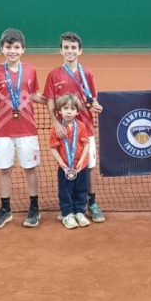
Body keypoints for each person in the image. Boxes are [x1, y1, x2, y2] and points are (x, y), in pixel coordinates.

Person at [0, 28, 47, 229]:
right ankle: (5, 209)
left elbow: (34, 94)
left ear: (23, 49)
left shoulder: (30, 70)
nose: (12, 51)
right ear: (2, 48)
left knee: (30, 168)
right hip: (2, 130)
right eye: (8, 47)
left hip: (27, 129)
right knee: (4, 169)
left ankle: (34, 207)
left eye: (17, 47)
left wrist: (53, 101)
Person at [44, 32, 106, 223]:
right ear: (61, 50)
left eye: (73, 48)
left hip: (85, 128)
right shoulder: (54, 74)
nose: (69, 51)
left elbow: (92, 98)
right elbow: (50, 101)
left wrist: (97, 106)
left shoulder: (87, 73)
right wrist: (55, 122)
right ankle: (68, 208)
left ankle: (91, 203)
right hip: (64, 130)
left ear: (80, 51)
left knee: (89, 167)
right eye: (66, 47)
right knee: (66, 167)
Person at [49, 93, 91, 229]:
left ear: (77, 112)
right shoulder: (56, 129)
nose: (68, 112)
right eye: (65, 108)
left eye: (72, 109)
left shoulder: (81, 126)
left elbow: (86, 145)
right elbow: (53, 148)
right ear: (59, 111)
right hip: (65, 168)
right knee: (65, 191)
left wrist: (81, 161)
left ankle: (79, 212)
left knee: (81, 189)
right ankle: (67, 214)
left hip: (81, 167)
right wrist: (62, 164)